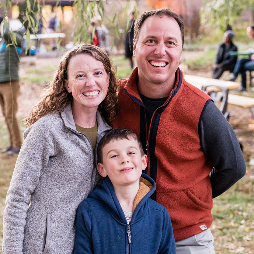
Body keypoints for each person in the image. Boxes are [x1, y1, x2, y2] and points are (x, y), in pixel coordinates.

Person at [112, 8, 246, 254]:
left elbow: (234, 167)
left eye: (170, 43)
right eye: (150, 40)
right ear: (135, 46)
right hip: (125, 235)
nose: (160, 51)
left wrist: (192, 195)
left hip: (186, 238)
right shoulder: (113, 100)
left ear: (180, 51)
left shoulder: (200, 108)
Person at [2, 44, 119, 254]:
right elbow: (18, 197)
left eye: (98, 73)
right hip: (43, 248)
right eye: (80, 75)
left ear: (108, 79)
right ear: (67, 84)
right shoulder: (47, 130)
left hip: (87, 247)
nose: (90, 82)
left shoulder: (110, 135)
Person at [74, 128, 176, 254]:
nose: (124, 160)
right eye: (114, 155)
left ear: (144, 162)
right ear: (102, 169)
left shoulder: (159, 215)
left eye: (131, 153)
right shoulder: (89, 211)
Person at [0, 18, 23, 155]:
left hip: (10, 81)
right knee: (5, 114)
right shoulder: (2, 43)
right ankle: (11, 143)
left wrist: (4, 21)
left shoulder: (15, 39)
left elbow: (8, 34)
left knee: (10, 113)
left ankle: (17, 145)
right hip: (0, 82)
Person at [228, 26, 254, 91]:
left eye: (250, 32)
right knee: (240, 60)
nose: (248, 33)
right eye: (248, 32)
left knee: (241, 65)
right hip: (252, 60)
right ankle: (235, 77)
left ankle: (236, 78)